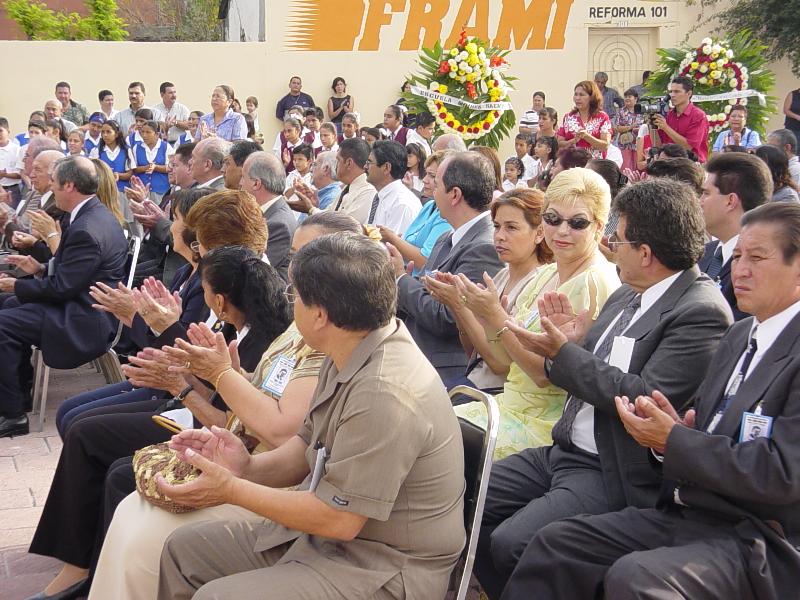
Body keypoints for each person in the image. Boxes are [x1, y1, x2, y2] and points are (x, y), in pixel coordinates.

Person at [506, 201, 800, 600]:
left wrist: (674, 440)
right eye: (737, 256)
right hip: (692, 509)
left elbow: (782, 474)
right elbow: (702, 430)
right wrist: (676, 432)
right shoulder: (742, 335)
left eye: (757, 258)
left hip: (760, 535)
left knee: (636, 577)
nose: (740, 270)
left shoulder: (714, 316)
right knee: (556, 545)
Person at [155, 232, 465, 600]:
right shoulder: (350, 346)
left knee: (218, 597)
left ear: (320, 315)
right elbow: (307, 446)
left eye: (295, 296)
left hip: (381, 566)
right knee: (185, 552)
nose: (291, 305)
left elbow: (339, 519)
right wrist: (245, 467)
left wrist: (231, 489)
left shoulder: (385, 392)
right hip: (331, 542)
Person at [476, 177, 733, 598]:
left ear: (645, 254)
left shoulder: (700, 312)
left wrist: (566, 353)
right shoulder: (628, 293)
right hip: (564, 450)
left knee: (512, 542)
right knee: (464, 498)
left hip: (609, 466)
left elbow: (643, 397)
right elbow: (591, 367)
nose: (610, 245)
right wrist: (573, 343)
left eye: (620, 239)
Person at [89, 212, 360, 600]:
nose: (292, 268)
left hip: (284, 488)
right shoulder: (299, 326)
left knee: (144, 535)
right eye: (295, 254)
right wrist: (229, 377)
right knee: (130, 511)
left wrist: (215, 378)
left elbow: (283, 432)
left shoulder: (327, 338)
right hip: (252, 460)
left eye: (307, 255)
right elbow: (265, 402)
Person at [29, 238, 288, 600]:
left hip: (214, 433)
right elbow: (213, 385)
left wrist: (178, 379)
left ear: (219, 301)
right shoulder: (236, 327)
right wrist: (168, 343)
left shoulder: (265, 343)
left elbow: (230, 420)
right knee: (80, 424)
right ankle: (83, 563)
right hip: (194, 413)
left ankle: (93, 571)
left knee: (109, 459)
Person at [448, 168, 620, 462]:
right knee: (422, 426)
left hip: (545, 424)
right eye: (552, 219)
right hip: (507, 405)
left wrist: (495, 316)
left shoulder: (594, 282)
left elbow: (543, 376)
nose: (562, 231)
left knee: (434, 443)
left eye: (577, 223)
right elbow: (505, 362)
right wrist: (483, 315)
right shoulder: (547, 273)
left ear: (599, 227)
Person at [0, 156, 128, 437]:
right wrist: (39, 268)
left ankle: (13, 415)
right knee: (7, 306)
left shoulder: (86, 227)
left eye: (55, 183)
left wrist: (16, 285)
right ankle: (17, 395)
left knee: (4, 323)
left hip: (84, 318)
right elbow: (71, 274)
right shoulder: (89, 214)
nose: (51, 188)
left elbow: (62, 288)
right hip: (79, 304)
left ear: (69, 185)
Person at [425, 188, 552, 395]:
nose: (500, 236)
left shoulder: (541, 284)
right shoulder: (501, 276)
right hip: (474, 382)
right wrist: (460, 304)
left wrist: (460, 305)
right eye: (497, 226)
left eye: (511, 228)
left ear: (539, 233)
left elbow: (501, 365)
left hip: (497, 394)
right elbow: (474, 354)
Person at [389, 151, 504, 381]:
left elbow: (447, 318)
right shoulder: (447, 237)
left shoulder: (484, 246)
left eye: (437, 184)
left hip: (444, 370)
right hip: (415, 355)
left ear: (454, 194)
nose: (432, 191)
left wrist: (401, 279)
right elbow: (426, 295)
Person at [698, 152, 773, 320]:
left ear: (730, 201)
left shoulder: (759, 267)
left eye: (706, 193)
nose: (700, 201)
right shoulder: (704, 253)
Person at [378, 150, 453, 275]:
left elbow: (426, 261)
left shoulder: (447, 215)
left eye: (432, 176)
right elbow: (409, 239)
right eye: (426, 174)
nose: (425, 180)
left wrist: (393, 239)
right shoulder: (429, 205)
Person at [239, 151, 297, 280]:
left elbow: (253, 272)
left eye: (243, 177)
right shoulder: (269, 213)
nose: (240, 183)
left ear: (256, 183)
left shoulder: (277, 224)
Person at [364, 140, 420, 234]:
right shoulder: (381, 196)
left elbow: (391, 242)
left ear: (386, 168)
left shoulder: (401, 204)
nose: (365, 167)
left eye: (369, 163)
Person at [652, 76, 709, 163]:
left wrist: (666, 127)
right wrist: (652, 126)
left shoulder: (698, 116)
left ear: (689, 93)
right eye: (671, 91)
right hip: (669, 163)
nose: (672, 95)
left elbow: (689, 146)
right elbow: (659, 144)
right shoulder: (669, 114)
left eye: (677, 91)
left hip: (690, 164)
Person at [557, 80, 611, 159]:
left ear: (591, 97)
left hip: (594, 163)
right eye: (576, 94)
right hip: (572, 162)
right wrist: (574, 140)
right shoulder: (568, 117)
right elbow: (559, 143)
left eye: (582, 95)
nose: (577, 98)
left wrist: (587, 137)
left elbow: (605, 145)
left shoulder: (602, 117)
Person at [328, 137, 375, 222]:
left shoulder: (367, 192)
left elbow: (347, 226)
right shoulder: (348, 187)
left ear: (349, 163)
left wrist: (310, 209)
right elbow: (327, 215)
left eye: (338, 160)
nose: (336, 165)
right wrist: (310, 208)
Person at [128, 120, 174, 202]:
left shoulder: (166, 147)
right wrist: (146, 167)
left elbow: (171, 168)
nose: (144, 135)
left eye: (148, 132)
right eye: (142, 132)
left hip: (161, 191)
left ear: (157, 134)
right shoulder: (136, 148)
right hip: (142, 191)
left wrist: (156, 167)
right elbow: (134, 168)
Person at [612, 88, 644, 171]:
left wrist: (639, 129)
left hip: (639, 144)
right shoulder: (621, 111)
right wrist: (631, 127)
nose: (627, 98)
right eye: (625, 97)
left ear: (636, 98)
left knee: (639, 169)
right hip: (625, 145)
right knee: (626, 169)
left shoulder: (643, 110)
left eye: (629, 96)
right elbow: (617, 128)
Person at [0, 117, 21, 206]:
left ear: (8, 131)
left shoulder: (17, 150)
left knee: (12, 213)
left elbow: (20, 174)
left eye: (0, 131)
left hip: (12, 190)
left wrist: (4, 174)